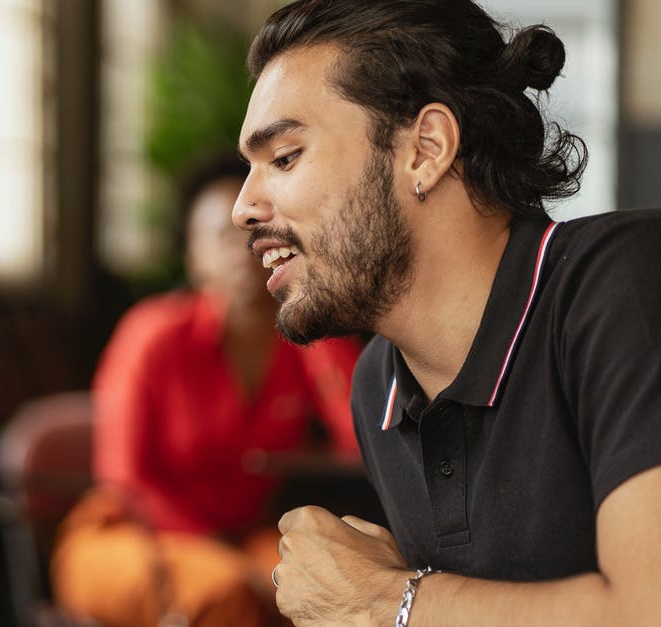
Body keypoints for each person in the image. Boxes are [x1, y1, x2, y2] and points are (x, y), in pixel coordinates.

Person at [232, 0, 661, 625]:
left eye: (286, 157)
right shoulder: (378, 385)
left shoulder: (621, 283)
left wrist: (385, 600)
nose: (243, 207)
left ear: (426, 149)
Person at [50, 155, 363, 627]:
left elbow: (362, 443)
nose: (240, 251)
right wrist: (219, 552)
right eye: (220, 237)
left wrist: (315, 317)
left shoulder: (297, 345)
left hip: (240, 536)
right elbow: (125, 479)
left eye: (255, 234)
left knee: (334, 589)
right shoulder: (153, 334)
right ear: (192, 256)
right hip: (128, 536)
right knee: (226, 593)